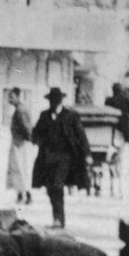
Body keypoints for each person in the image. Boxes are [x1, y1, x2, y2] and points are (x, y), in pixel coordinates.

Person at [31, 87, 91, 227]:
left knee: (57, 185)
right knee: (51, 189)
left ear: (61, 101)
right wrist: (37, 139)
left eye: (56, 100)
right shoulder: (44, 115)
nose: (54, 102)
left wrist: (87, 154)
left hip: (65, 158)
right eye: (52, 100)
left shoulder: (71, 116)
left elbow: (81, 136)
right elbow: (36, 132)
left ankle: (59, 220)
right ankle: (57, 219)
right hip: (47, 158)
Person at [6, 87, 33, 205]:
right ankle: (20, 194)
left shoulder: (20, 110)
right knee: (17, 169)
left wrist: (27, 139)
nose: (9, 100)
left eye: (11, 97)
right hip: (18, 142)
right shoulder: (19, 109)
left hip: (20, 143)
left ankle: (27, 195)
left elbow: (26, 127)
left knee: (21, 169)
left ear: (17, 97)